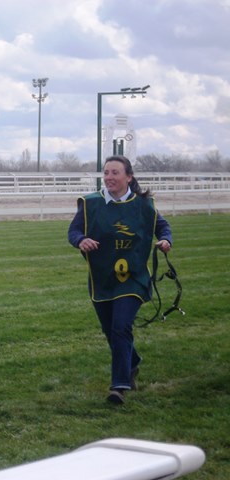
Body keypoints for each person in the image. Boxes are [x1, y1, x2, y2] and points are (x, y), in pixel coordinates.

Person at [67, 155, 173, 405]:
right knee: (110, 330)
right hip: (102, 279)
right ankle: (132, 362)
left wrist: (165, 240)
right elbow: (73, 231)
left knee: (121, 326)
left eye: (115, 173)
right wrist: (81, 240)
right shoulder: (90, 203)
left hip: (133, 279)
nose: (109, 177)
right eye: (106, 173)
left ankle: (119, 386)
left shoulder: (144, 205)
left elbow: (162, 226)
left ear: (128, 176)